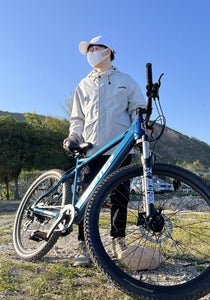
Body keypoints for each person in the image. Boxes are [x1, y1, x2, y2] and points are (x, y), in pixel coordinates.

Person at [63, 35, 146, 266]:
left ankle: (118, 241)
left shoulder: (126, 81)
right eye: (88, 50)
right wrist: (73, 136)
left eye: (94, 48)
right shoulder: (83, 84)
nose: (90, 52)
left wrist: (138, 132)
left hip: (119, 149)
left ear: (108, 51)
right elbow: (77, 117)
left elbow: (137, 109)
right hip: (91, 151)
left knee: (120, 197)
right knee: (86, 200)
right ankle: (85, 245)